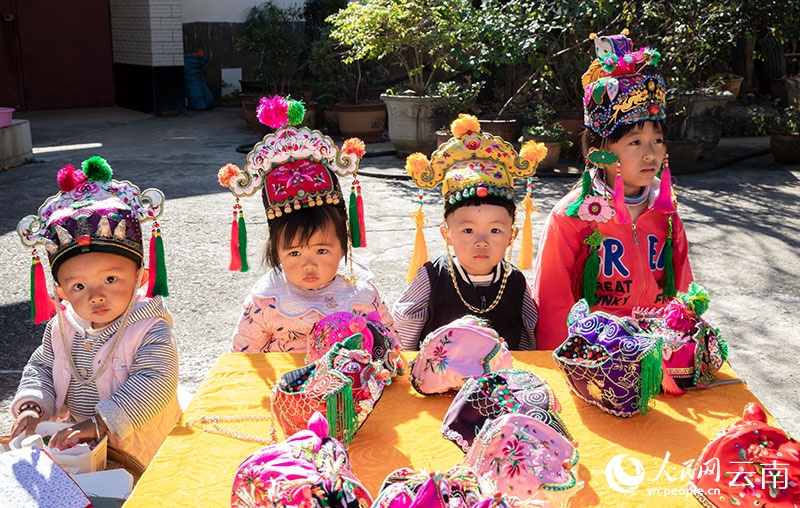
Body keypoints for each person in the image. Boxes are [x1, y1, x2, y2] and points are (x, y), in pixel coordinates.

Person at [11, 156, 180, 469]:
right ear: (61, 293)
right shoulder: (62, 327)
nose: (96, 295)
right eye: (78, 286)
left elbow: (155, 381)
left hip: (139, 448)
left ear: (140, 278)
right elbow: (42, 367)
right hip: (78, 443)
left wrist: (100, 422)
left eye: (111, 279)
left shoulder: (150, 328)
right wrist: (33, 405)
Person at [532, 30, 694, 349]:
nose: (650, 154)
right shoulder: (570, 217)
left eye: (657, 140)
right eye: (635, 142)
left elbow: (684, 288)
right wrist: (563, 361)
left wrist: (687, 341)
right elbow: (553, 303)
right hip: (596, 351)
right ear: (601, 152)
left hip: (660, 346)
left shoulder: (665, 208)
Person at [220, 96, 395, 353]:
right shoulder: (267, 300)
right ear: (276, 251)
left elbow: (389, 343)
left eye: (322, 250)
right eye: (294, 253)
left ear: (344, 246)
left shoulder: (361, 293)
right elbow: (243, 358)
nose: (309, 264)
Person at [392, 114, 548, 351]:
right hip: (440, 373)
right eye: (468, 230)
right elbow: (405, 327)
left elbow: (527, 335)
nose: (481, 242)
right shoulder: (433, 277)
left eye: (495, 230)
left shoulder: (515, 281)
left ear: (512, 236)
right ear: (447, 234)